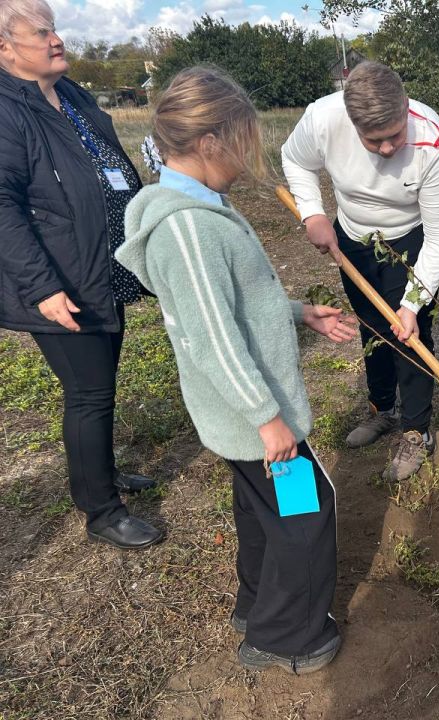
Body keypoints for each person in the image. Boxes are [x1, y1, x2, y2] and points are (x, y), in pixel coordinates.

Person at [117, 66, 357, 674]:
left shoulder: (199, 207)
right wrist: (268, 418)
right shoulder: (189, 229)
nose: (252, 155)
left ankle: (257, 606)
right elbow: (213, 336)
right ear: (210, 142)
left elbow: (233, 303)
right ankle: (288, 638)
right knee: (307, 511)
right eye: (246, 140)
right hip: (255, 415)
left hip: (244, 414)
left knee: (261, 513)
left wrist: (299, 313)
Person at [0, 0, 161, 549]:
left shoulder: (70, 95)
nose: (55, 39)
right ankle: (100, 510)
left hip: (99, 266)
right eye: (41, 31)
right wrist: (43, 286)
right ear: (5, 47)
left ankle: (102, 474)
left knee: (101, 386)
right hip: (60, 277)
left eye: (55, 28)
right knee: (88, 393)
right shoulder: (6, 109)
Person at [281, 61, 439, 482]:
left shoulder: (431, 140)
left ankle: (416, 430)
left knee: (409, 334)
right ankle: (382, 410)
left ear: (406, 109)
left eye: (394, 136)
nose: (385, 149)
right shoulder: (323, 119)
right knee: (372, 327)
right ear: (351, 121)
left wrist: (414, 303)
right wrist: (312, 213)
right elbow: (295, 159)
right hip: (352, 239)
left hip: (408, 241)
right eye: (373, 140)